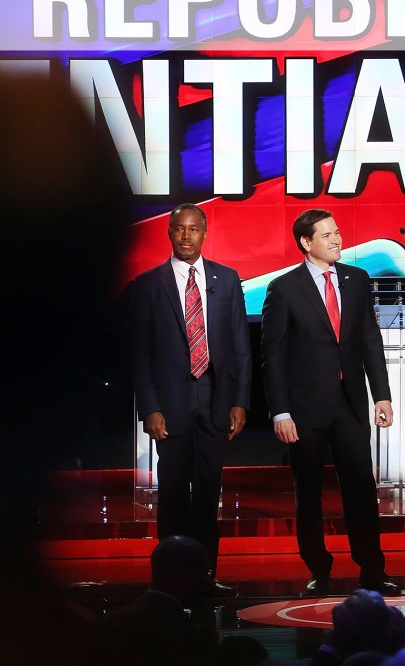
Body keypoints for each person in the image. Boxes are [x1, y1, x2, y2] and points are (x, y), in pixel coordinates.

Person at [261, 209, 399, 597]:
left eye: (337, 233)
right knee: (308, 492)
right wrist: (280, 411)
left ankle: (372, 569)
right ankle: (319, 570)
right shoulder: (283, 288)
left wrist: (382, 394)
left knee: (361, 488)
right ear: (306, 242)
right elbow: (273, 356)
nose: (337, 240)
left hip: (350, 403)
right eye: (327, 235)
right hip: (303, 408)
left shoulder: (357, 279)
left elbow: (370, 339)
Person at [128, 203, 252, 593]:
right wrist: (150, 408)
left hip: (216, 401)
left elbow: (241, 346)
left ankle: (205, 576)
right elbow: (140, 353)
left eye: (193, 229)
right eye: (179, 229)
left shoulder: (226, 279)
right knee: (173, 493)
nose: (186, 236)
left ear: (204, 233)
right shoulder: (149, 284)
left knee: (208, 493)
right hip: (171, 406)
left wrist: (240, 401)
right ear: (169, 233)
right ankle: (169, 580)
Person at [95, 535, 220, 666]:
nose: (208, 581)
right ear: (186, 573)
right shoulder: (195, 636)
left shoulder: (106, 624)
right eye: (206, 572)